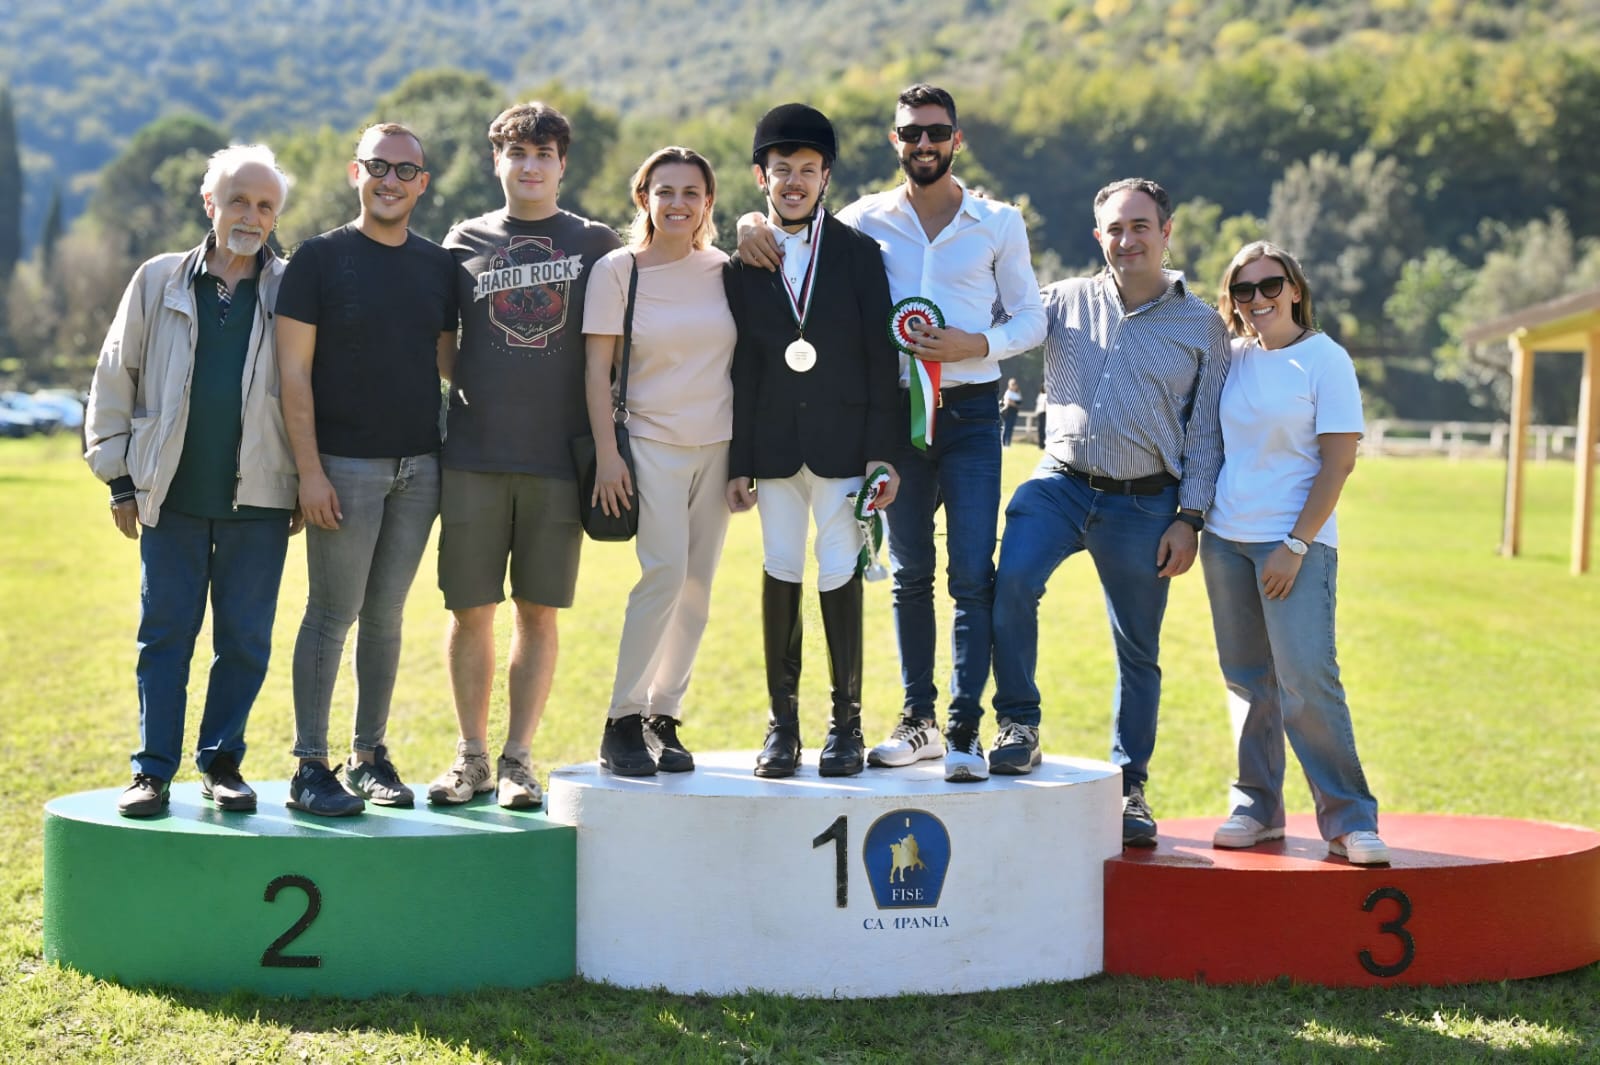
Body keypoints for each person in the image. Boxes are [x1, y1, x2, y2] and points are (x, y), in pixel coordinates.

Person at [739, 84, 1045, 783]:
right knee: (910, 576)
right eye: (911, 134)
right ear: (894, 141)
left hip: (969, 412)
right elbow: (799, 240)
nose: (925, 144)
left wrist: (977, 342)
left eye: (936, 132)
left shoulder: (998, 221)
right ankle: (919, 721)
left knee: (972, 574)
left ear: (956, 139)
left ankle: (967, 729)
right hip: (895, 418)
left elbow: (1032, 319)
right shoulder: (863, 219)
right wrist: (746, 227)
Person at [989, 178, 1229, 847]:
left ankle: (1131, 787)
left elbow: (1206, 432)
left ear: (1166, 231)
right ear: (1099, 237)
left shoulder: (1202, 325)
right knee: (1010, 584)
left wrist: (1191, 517)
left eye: (1140, 227)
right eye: (1114, 230)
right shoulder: (1061, 301)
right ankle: (1018, 724)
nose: (1127, 240)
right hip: (1060, 484)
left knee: (1138, 648)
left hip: (1145, 503)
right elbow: (994, 318)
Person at [84, 145, 301, 817]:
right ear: (210, 204)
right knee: (164, 634)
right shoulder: (157, 280)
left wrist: (306, 478)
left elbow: (312, 389)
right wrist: (120, 479)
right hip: (169, 496)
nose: (252, 216)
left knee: (244, 640)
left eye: (265, 206)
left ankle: (222, 762)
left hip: (261, 501)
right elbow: (115, 377)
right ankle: (152, 770)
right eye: (239, 200)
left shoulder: (290, 288)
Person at [426, 103, 622, 810]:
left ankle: (517, 760)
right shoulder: (463, 240)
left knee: (539, 611)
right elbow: (443, 339)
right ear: (497, 162)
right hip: (475, 453)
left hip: (557, 458)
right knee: (469, 607)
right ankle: (471, 755)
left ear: (563, 164)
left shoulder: (596, 242)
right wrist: (481, 381)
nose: (531, 165)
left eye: (544, 153)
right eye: (518, 153)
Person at [276, 123, 458, 816]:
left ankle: (368, 755)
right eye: (377, 166)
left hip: (420, 469)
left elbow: (449, 364)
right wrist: (309, 470)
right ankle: (309, 764)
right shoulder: (318, 259)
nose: (390, 179)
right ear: (357, 174)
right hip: (342, 470)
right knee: (331, 614)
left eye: (404, 170)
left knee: (385, 618)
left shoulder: (438, 266)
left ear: (422, 184)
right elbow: (293, 373)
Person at [724, 104, 901, 779]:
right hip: (772, 448)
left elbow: (880, 359)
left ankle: (845, 722)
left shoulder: (858, 254)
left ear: (827, 176)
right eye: (781, 172)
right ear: (760, 177)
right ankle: (782, 724)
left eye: (806, 171)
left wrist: (882, 451)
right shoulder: (744, 262)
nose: (793, 182)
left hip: (843, 442)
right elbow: (741, 367)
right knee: (779, 568)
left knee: (837, 570)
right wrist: (740, 460)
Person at [1203, 241, 1389, 865]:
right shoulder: (1228, 359)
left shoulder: (1325, 360)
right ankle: (1257, 807)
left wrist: (1295, 544)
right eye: (1244, 290)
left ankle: (1349, 820)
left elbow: (1338, 461)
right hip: (1225, 540)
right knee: (1248, 682)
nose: (1259, 299)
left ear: (1296, 289)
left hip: (1294, 546)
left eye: (1270, 285)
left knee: (1306, 680)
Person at [583, 146, 738, 776]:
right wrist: (605, 457)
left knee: (698, 587)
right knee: (664, 575)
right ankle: (621, 719)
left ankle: (663, 715)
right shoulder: (619, 270)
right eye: (665, 191)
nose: (678, 203)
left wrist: (746, 459)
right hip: (648, 443)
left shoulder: (727, 269)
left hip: (721, 445)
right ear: (643, 197)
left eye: (691, 193)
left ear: (708, 203)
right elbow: (596, 370)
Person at [1000, 377, 1023, 446]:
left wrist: (1013, 403)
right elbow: (1008, 402)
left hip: (1014, 412)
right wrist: (1014, 403)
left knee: (1010, 428)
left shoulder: (1018, 394)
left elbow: (1019, 403)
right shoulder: (1008, 393)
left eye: (1014, 384)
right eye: (1012, 384)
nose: (1014, 386)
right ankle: (1004, 442)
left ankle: (1008, 443)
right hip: (1008, 412)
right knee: (1006, 427)